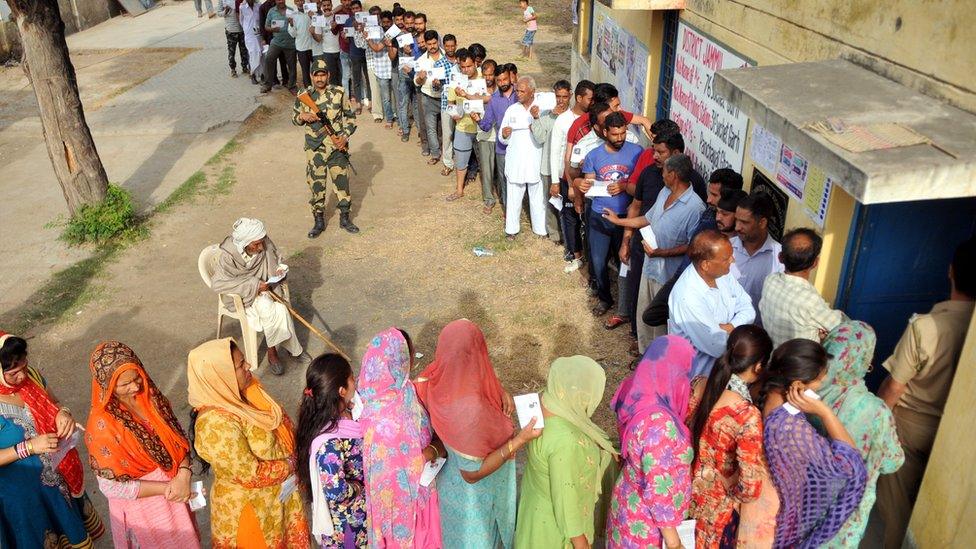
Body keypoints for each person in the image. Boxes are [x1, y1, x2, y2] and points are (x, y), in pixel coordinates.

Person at [876, 236, 975, 548]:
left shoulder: (927, 327)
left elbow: (895, 385)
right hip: (953, 436)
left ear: (950, 272)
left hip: (909, 427)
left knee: (897, 508)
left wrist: (877, 422)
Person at [415, 319, 540, 549]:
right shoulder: (469, 412)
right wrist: (519, 440)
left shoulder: (435, 377)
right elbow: (472, 473)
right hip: (473, 505)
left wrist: (498, 389)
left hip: (447, 490)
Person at [187, 338, 310, 548]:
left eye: (244, 360)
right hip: (252, 512)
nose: (249, 366)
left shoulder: (248, 392)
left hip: (279, 500)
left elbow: (281, 423)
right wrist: (292, 464)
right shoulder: (214, 424)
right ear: (219, 377)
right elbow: (249, 474)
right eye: (240, 365)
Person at [85, 341, 200, 548]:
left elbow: (178, 439)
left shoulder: (152, 398)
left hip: (176, 496)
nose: (136, 386)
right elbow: (111, 487)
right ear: (107, 385)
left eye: (137, 376)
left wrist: (183, 474)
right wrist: (168, 488)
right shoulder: (102, 426)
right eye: (125, 384)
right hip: (145, 509)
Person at [0, 332, 105, 548]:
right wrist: (29, 446)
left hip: (58, 479)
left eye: (24, 366)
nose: (21, 377)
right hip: (23, 498)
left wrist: (62, 414)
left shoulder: (32, 378)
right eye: (13, 373)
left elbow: (54, 402)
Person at [759, 338, 867, 547]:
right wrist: (824, 412)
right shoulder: (790, 427)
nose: (824, 379)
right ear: (798, 384)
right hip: (785, 517)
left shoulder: (767, 395)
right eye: (820, 378)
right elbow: (851, 467)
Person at [603, 153, 705, 353]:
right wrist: (618, 221)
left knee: (661, 325)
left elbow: (694, 246)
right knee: (644, 316)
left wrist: (662, 253)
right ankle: (645, 355)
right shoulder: (664, 193)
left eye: (665, 172)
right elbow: (647, 219)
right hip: (650, 269)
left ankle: (658, 363)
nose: (662, 175)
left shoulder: (695, 208)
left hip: (667, 276)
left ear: (673, 175)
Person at [685, 325, 776, 549]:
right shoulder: (747, 416)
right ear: (758, 366)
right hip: (718, 512)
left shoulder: (699, 385)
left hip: (685, 493)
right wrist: (730, 488)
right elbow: (750, 487)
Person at [515, 356, 618, 549]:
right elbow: (565, 499)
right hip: (554, 534)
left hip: (535, 518)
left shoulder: (545, 407)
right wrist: (580, 543)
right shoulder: (567, 443)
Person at [817, 322, 904, 547]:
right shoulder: (876, 412)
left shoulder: (805, 391)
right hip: (846, 518)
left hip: (804, 508)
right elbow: (892, 462)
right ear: (866, 361)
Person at [606, 335, 695, 549]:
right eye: (685, 372)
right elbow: (658, 488)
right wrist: (674, 543)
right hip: (648, 527)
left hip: (629, 503)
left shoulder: (637, 389)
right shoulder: (660, 425)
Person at [357, 328, 442, 548]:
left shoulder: (367, 403)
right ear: (400, 360)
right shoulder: (398, 407)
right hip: (411, 508)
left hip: (385, 511)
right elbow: (415, 453)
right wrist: (434, 450)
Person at [641, 174, 745, 332]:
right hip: (683, 275)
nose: (709, 200)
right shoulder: (709, 216)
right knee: (651, 315)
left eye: (715, 195)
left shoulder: (737, 247)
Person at [210, 217, 305, 374]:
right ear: (244, 244)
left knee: (277, 308)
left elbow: (276, 258)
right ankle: (278, 352)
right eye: (256, 244)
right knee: (273, 309)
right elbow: (218, 284)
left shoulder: (262, 240)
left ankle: (283, 349)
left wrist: (279, 269)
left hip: (265, 289)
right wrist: (254, 285)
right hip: (242, 295)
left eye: (262, 241)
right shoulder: (228, 256)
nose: (261, 246)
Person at [295, 353, 367, 548]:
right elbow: (336, 490)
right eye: (352, 377)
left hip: (357, 517)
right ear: (342, 391)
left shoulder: (340, 412)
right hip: (348, 525)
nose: (356, 381)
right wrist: (360, 487)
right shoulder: (330, 444)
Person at [578, 111, 642, 317]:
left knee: (626, 262)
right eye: (615, 134)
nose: (620, 138)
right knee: (598, 262)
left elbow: (640, 185)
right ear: (605, 132)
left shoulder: (637, 152)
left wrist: (624, 186)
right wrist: (585, 185)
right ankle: (605, 298)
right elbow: (588, 183)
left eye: (623, 133)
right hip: (600, 216)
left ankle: (627, 306)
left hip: (626, 218)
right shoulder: (593, 156)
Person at [668, 230, 755, 376]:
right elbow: (716, 345)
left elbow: (749, 309)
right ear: (705, 265)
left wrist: (730, 326)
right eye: (726, 258)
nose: (732, 260)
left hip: (718, 370)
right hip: (696, 376)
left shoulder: (722, 274)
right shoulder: (688, 296)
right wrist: (737, 328)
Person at [294, 60, 361, 236]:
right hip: (314, 148)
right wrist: (302, 116)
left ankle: (345, 218)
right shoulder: (304, 95)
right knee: (316, 184)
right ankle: (318, 220)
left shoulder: (339, 93)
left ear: (328, 75)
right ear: (311, 76)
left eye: (323, 74)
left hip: (336, 147)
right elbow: (294, 118)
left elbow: (352, 119)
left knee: (342, 183)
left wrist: (344, 136)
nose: (320, 78)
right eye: (316, 75)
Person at [758, 228, 844, 347]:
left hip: (772, 357)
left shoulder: (770, 281)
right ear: (815, 263)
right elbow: (846, 329)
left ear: (780, 257)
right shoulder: (810, 300)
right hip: (799, 363)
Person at [551, 79, 594, 271]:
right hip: (566, 177)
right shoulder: (563, 120)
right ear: (579, 98)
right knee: (570, 215)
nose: (593, 102)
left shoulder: (594, 120)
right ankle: (575, 253)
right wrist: (555, 181)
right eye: (590, 98)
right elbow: (555, 152)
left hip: (588, 177)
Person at [499, 76, 547, 239]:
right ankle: (511, 230)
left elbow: (544, 135)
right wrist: (504, 134)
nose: (517, 93)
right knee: (514, 197)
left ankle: (540, 230)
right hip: (516, 161)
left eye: (521, 91)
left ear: (532, 92)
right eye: (517, 90)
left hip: (535, 160)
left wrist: (536, 118)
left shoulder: (541, 109)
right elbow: (502, 137)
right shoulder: (512, 110)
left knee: (537, 199)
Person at [729, 193, 783, 322]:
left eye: (744, 222)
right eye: (737, 220)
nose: (737, 227)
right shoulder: (726, 248)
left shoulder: (779, 258)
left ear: (762, 222)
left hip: (755, 334)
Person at [530, 79, 571, 245]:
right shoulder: (547, 115)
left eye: (564, 96)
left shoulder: (573, 117)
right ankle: (555, 234)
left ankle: (568, 233)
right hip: (548, 166)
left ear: (571, 96)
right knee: (552, 201)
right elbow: (540, 138)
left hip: (567, 168)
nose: (561, 100)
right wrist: (535, 119)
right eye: (558, 96)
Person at [474, 63, 518, 209]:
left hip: (521, 145)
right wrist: (478, 120)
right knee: (504, 179)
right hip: (502, 148)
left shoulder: (520, 95)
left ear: (510, 78)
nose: (502, 83)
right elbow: (486, 125)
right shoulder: (494, 100)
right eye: (499, 80)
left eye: (504, 79)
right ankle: (507, 209)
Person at [444, 48, 481, 202]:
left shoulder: (484, 77)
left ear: (475, 63)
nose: (466, 70)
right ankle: (459, 190)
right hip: (463, 126)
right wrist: (454, 115)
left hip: (482, 127)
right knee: (461, 161)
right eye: (462, 67)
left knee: (485, 161)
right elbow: (450, 102)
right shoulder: (456, 80)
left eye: (469, 66)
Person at [365, 10, 395, 127]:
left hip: (393, 69)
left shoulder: (394, 32)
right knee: (386, 97)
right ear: (380, 22)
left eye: (388, 22)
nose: (386, 24)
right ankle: (389, 119)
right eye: (384, 22)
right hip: (382, 70)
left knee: (395, 96)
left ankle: (396, 115)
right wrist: (368, 39)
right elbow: (376, 48)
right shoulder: (376, 32)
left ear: (391, 21)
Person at [261, 0, 298, 94]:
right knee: (268, 59)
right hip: (276, 42)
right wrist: (272, 29)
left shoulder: (291, 11)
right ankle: (267, 84)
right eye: (278, 0)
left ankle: (292, 85)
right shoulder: (271, 11)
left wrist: (292, 23)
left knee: (292, 65)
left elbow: (296, 27)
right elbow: (266, 26)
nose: (281, 1)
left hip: (290, 43)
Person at [437, 34, 460, 177]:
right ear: (443, 46)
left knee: (461, 134)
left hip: (461, 104)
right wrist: (435, 84)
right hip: (446, 104)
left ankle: (460, 163)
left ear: (456, 45)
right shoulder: (438, 64)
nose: (450, 49)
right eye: (447, 46)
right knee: (447, 135)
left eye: (452, 46)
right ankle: (447, 163)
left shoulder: (461, 63)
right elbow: (435, 89)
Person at [291, 1, 319, 88]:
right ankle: (309, 91)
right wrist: (291, 24)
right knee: (305, 71)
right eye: (298, 0)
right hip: (302, 47)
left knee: (317, 70)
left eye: (302, 0)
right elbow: (293, 34)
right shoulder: (293, 15)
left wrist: (312, 17)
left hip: (314, 46)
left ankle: (319, 90)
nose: (300, 2)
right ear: (295, 2)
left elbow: (319, 25)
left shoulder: (313, 11)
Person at [240, 0, 265, 85]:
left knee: (261, 53)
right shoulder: (242, 7)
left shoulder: (258, 5)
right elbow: (241, 20)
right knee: (253, 53)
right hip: (249, 34)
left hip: (259, 34)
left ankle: (262, 75)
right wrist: (247, 29)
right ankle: (253, 74)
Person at [222, 0, 249, 78]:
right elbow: (219, 13)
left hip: (242, 29)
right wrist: (225, 11)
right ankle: (233, 69)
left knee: (244, 50)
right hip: (231, 30)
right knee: (232, 51)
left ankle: (245, 67)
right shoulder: (223, 1)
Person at [319, 0, 342, 85]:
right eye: (324, 6)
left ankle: (344, 94)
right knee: (332, 76)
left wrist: (331, 13)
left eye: (328, 5)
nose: (326, 7)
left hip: (340, 50)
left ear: (332, 5)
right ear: (321, 7)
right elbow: (318, 38)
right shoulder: (320, 18)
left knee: (342, 75)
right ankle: (334, 95)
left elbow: (341, 6)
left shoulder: (336, 15)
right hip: (327, 52)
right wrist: (313, 31)